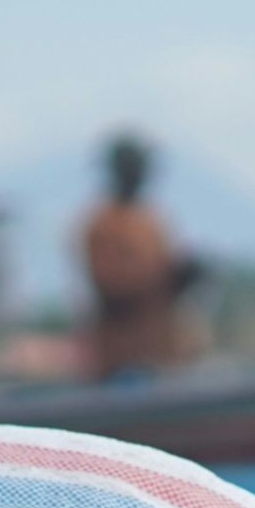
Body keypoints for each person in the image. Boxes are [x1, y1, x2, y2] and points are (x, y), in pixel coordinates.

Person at [77, 129, 202, 381]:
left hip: (163, 355)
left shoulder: (150, 219)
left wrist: (183, 278)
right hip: (123, 361)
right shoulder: (103, 224)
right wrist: (170, 278)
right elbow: (114, 289)